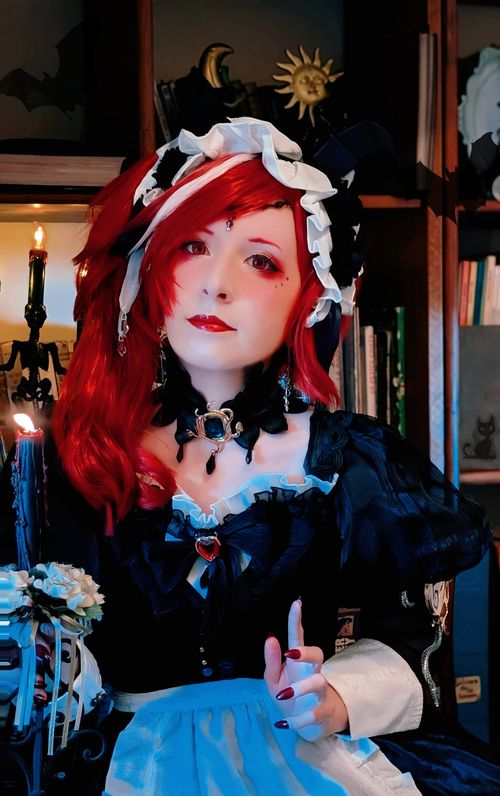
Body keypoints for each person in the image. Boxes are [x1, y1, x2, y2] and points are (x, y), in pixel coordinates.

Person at [1, 118, 499, 795]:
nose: (216, 283)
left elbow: (409, 638)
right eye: (193, 246)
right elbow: (46, 652)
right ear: (151, 268)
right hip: (125, 763)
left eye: (261, 261)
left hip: (306, 756)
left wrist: (334, 697)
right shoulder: (80, 459)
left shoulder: (344, 460)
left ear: (309, 297)